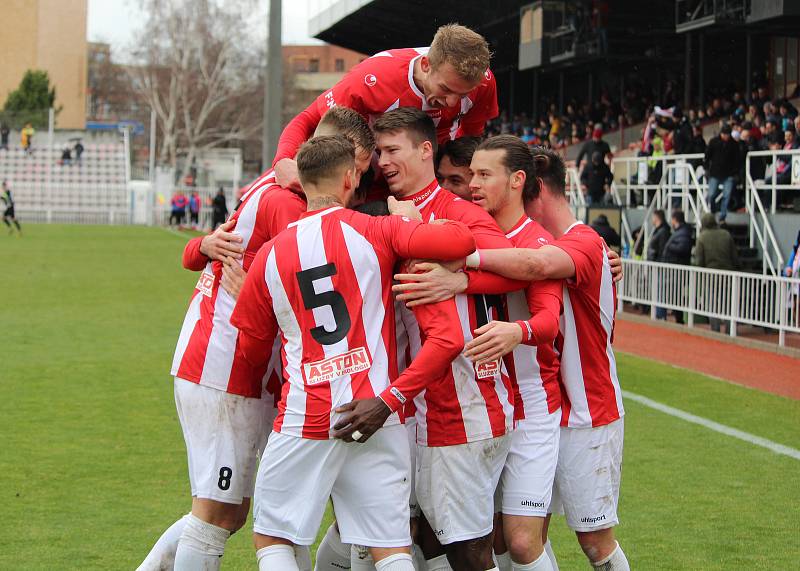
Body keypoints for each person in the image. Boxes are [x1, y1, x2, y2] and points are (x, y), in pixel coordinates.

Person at [137, 107, 377, 571]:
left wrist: (200, 248)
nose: (359, 179)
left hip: (242, 364)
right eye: (359, 167)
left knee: (248, 510)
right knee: (217, 512)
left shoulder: (274, 184)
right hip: (225, 365)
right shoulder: (291, 205)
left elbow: (211, 248)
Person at [230, 134, 477, 571]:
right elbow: (460, 243)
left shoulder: (268, 256)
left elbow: (249, 351)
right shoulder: (377, 229)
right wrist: (413, 217)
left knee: (273, 535)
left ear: (302, 184)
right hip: (377, 411)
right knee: (390, 546)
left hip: (306, 413)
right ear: (350, 178)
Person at [377, 108, 520, 571]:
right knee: (420, 535)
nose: (382, 161)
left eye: (392, 150)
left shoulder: (458, 212)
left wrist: (459, 276)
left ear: (424, 150)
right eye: (378, 152)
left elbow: (511, 263)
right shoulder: (385, 214)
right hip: (418, 409)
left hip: (462, 404)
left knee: (467, 547)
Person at [461, 135, 563, 571]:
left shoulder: (537, 243)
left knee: (521, 540)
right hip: (483, 403)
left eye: (485, 175)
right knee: (492, 538)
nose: (472, 184)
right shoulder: (470, 232)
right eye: (471, 175)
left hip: (532, 403)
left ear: (518, 180)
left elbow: (548, 321)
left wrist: (516, 332)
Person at [272, 24, 498, 190]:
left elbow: (470, 138)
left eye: (463, 94)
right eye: (446, 89)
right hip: (370, 182)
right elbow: (308, 119)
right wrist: (283, 161)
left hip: (433, 180)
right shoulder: (371, 78)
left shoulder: (484, 81)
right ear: (426, 65)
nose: (453, 102)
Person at [695, 212, 739, 332]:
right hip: (728, 275)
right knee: (728, 304)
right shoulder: (726, 234)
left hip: (711, 276)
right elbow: (734, 256)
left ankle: (715, 329)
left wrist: (700, 273)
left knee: (712, 304)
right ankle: (730, 330)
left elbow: (699, 260)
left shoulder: (702, 237)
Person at [657, 210, 693, 324]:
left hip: (678, 268)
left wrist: (669, 246)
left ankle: (678, 318)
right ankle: (676, 316)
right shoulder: (682, 232)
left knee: (675, 294)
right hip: (676, 268)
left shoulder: (682, 233)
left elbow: (683, 248)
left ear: (675, 219)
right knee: (674, 294)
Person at [704, 124, 740, 222]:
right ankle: (714, 209)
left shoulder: (734, 145)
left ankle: (723, 215)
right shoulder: (714, 142)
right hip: (715, 173)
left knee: (726, 195)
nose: (726, 136)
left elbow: (737, 160)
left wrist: (736, 173)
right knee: (711, 195)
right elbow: (707, 156)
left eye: (727, 134)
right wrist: (706, 169)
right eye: (724, 134)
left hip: (728, 174)